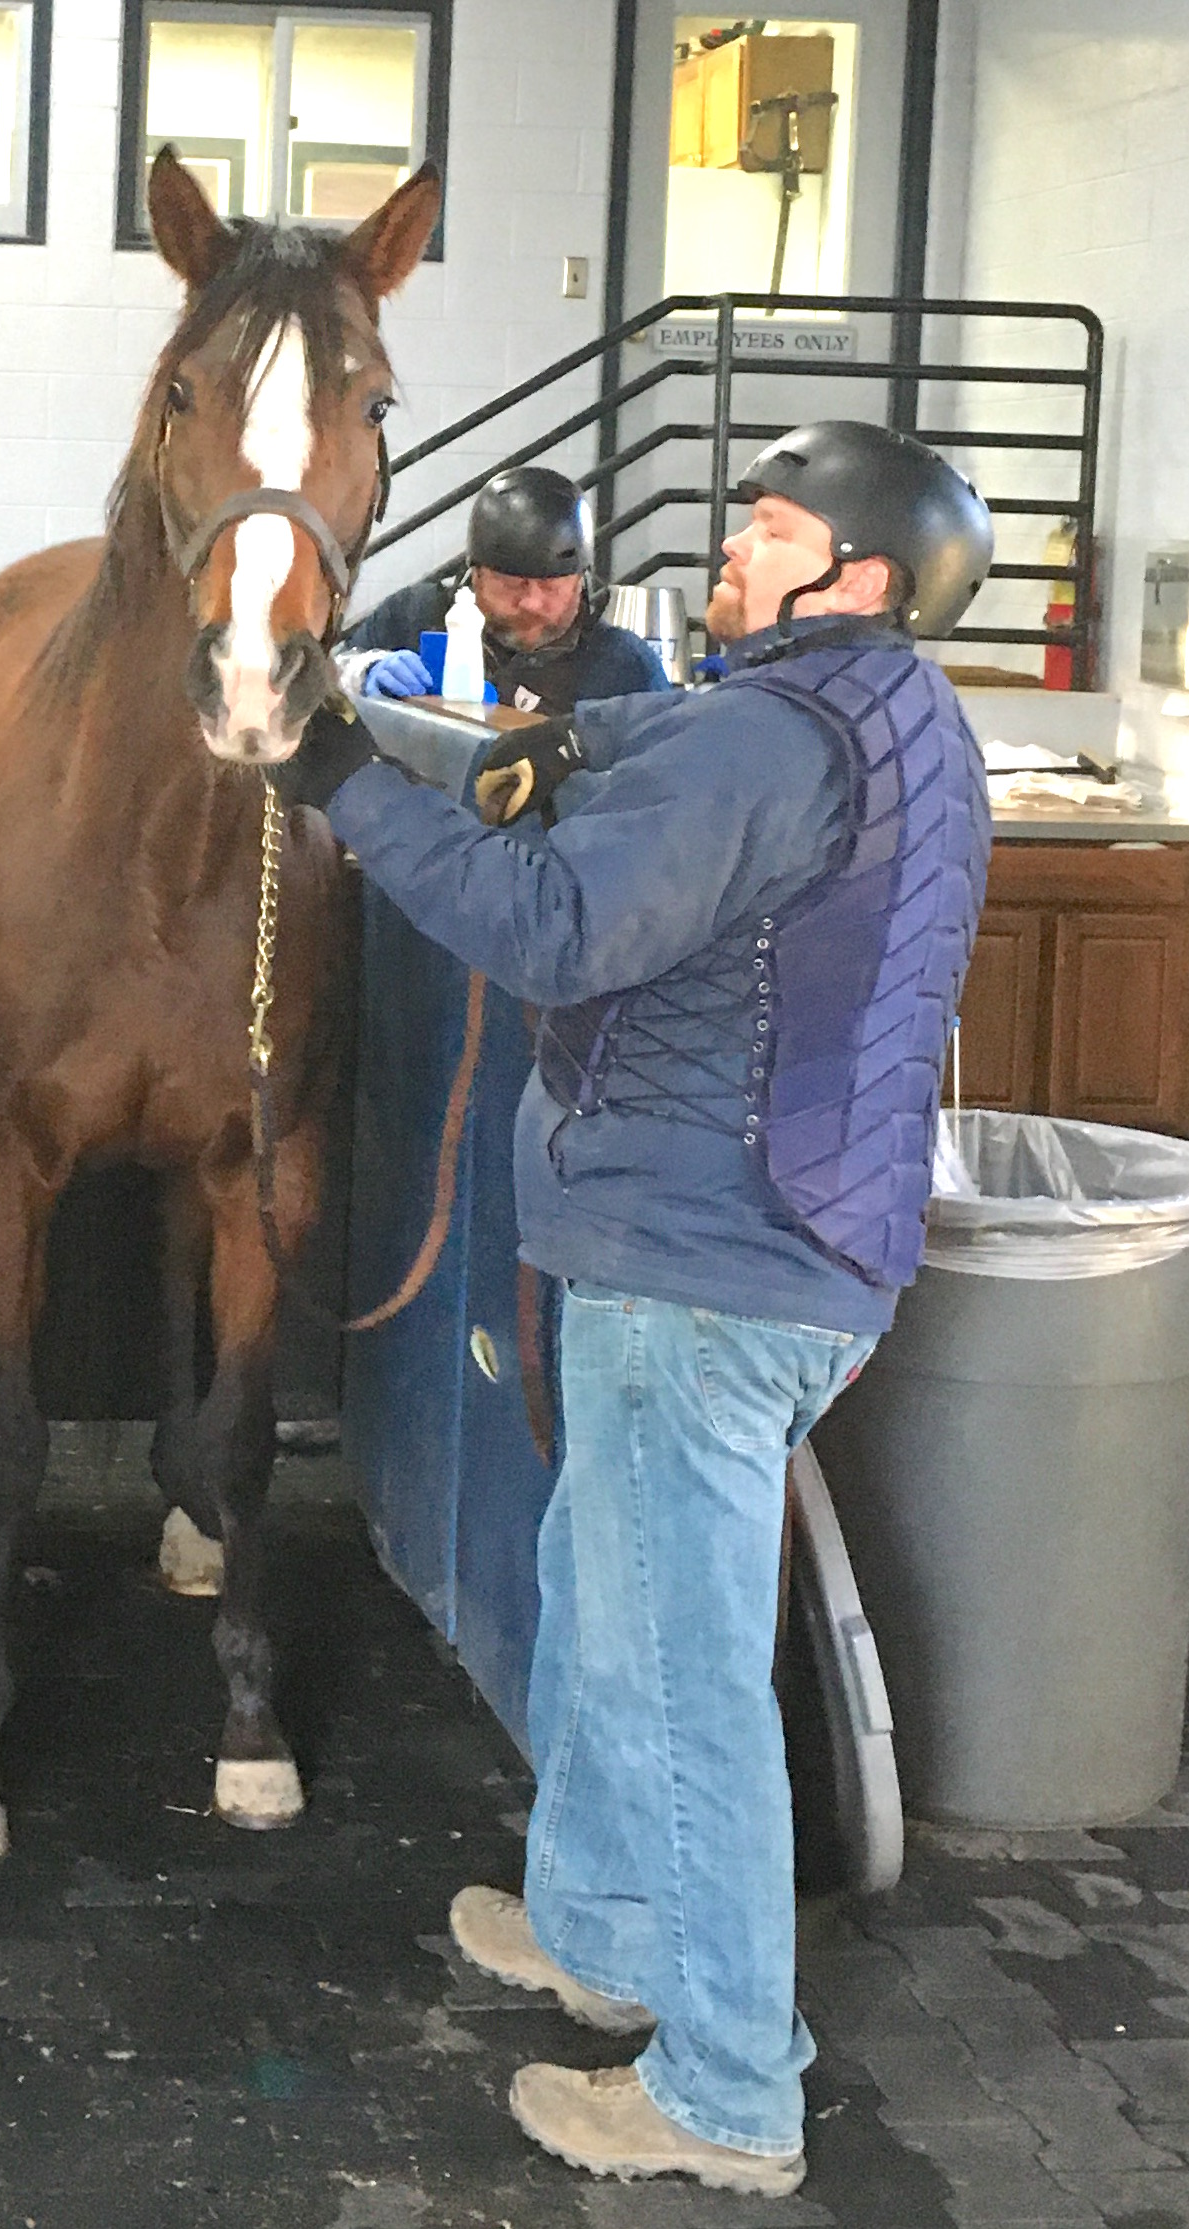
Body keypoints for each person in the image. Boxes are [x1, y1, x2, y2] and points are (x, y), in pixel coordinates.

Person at [274, 421, 994, 2195]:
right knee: (595, 1592)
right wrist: (375, 718)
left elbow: (552, 927)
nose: (728, 551)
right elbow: (577, 752)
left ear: (860, 576)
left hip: (702, 1266)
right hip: (735, 1243)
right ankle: (595, 1921)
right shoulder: (853, 705)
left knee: (677, 1675)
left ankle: (726, 2086)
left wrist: (326, 774)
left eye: (763, 529)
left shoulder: (766, 732)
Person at [337, 465, 673, 712]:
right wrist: (362, 673)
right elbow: (322, 684)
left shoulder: (627, 670)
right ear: (476, 573)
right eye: (512, 585)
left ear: (581, 580)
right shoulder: (413, 615)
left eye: (551, 587)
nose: (531, 603)